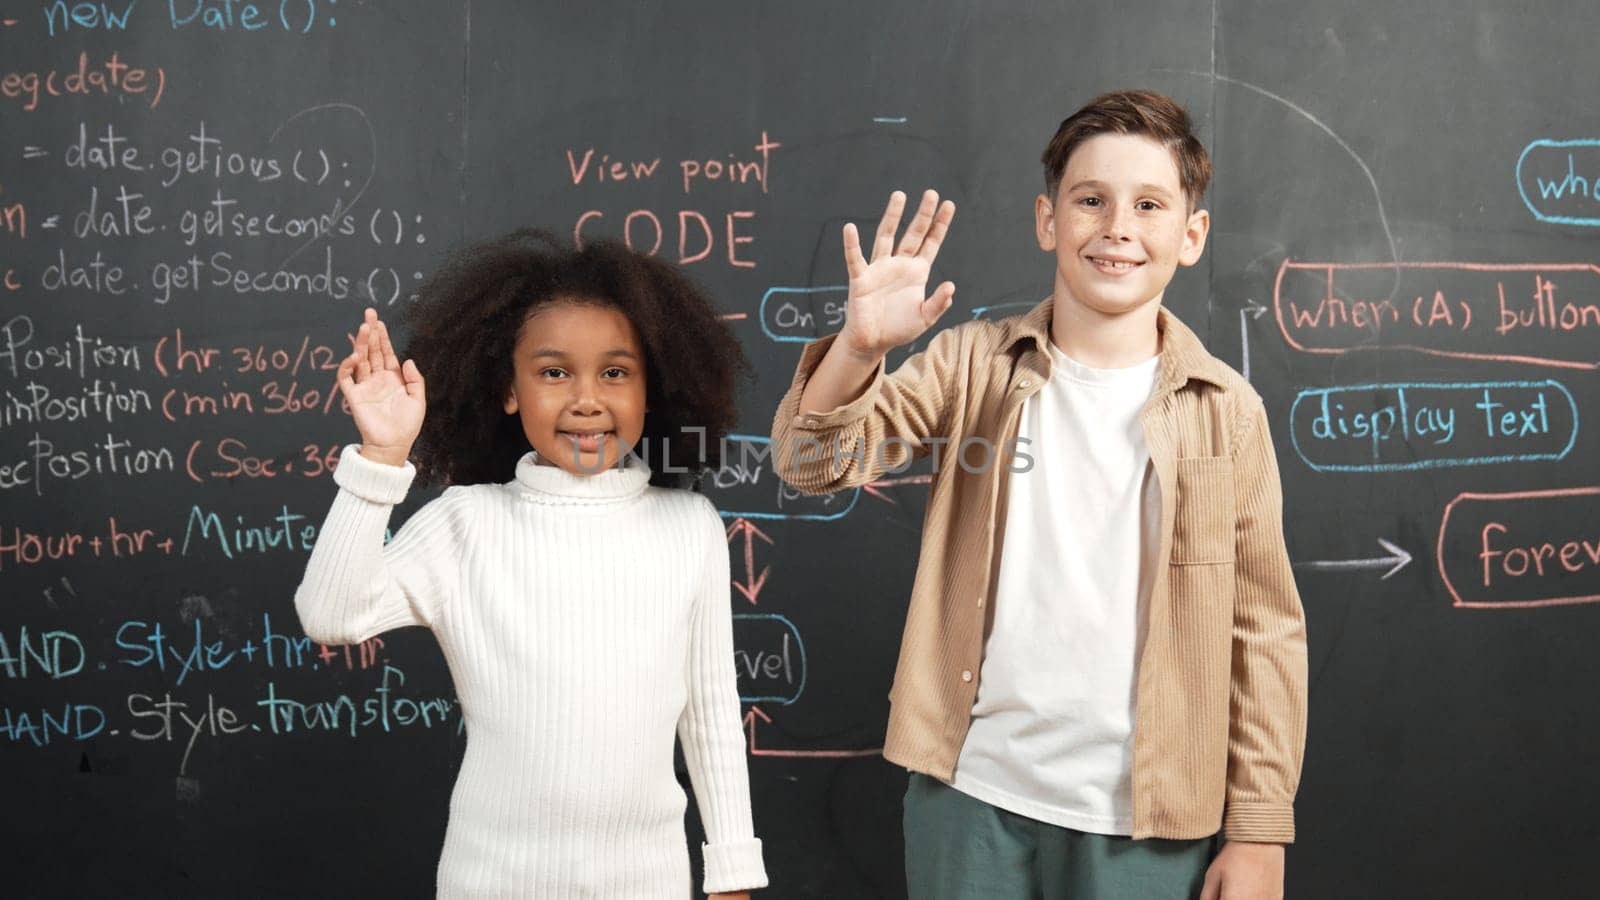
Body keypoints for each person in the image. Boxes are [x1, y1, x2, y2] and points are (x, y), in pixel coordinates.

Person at [770, 90, 1306, 899]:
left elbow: (1263, 629)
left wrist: (1261, 828)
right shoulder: (972, 365)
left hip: (1150, 820)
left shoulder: (1227, 412)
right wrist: (856, 347)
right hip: (972, 794)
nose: (1118, 226)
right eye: (1090, 200)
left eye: (1150, 205)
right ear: (1047, 220)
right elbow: (813, 465)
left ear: (1191, 235)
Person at [294, 229, 768, 898]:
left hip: (647, 882)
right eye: (553, 372)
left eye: (615, 371)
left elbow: (713, 711)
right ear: (508, 390)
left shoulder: (689, 528)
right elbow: (331, 615)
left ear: (651, 388)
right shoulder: (465, 524)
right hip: (491, 881)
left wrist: (733, 873)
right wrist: (380, 458)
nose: (585, 399)